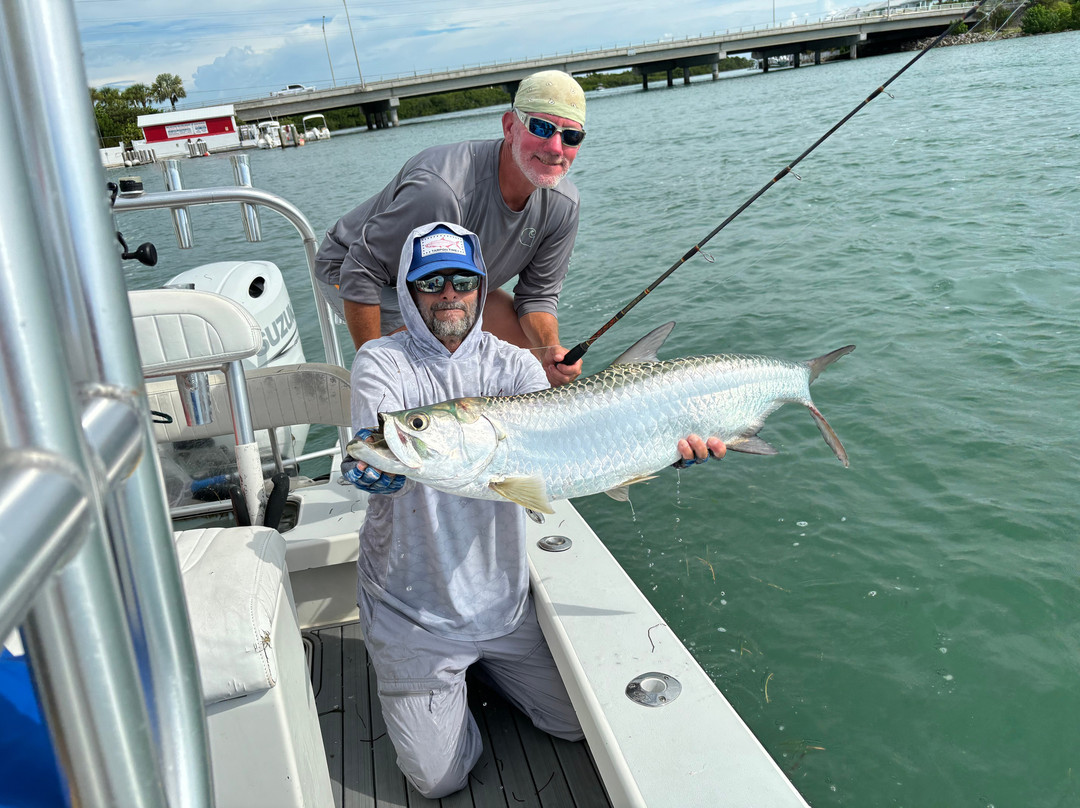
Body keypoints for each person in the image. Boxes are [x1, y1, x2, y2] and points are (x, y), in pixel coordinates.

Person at [343, 221, 725, 799]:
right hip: (412, 610)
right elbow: (388, 459)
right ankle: (428, 686)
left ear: (480, 285)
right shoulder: (382, 365)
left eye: (463, 281)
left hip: (501, 603)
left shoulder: (515, 367)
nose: (449, 294)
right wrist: (378, 474)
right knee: (437, 779)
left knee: (580, 727)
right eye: (432, 283)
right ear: (409, 291)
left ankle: (471, 678)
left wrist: (659, 450)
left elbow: (560, 461)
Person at [315, 69, 588, 386]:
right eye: (541, 128)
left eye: (571, 136)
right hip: (360, 272)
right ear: (510, 127)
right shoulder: (442, 192)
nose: (556, 147)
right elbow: (361, 269)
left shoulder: (563, 205)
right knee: (440, 363)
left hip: (453, 282)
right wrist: (376, 373)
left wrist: (549, 349)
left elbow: (537, 297)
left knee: (534, 364)